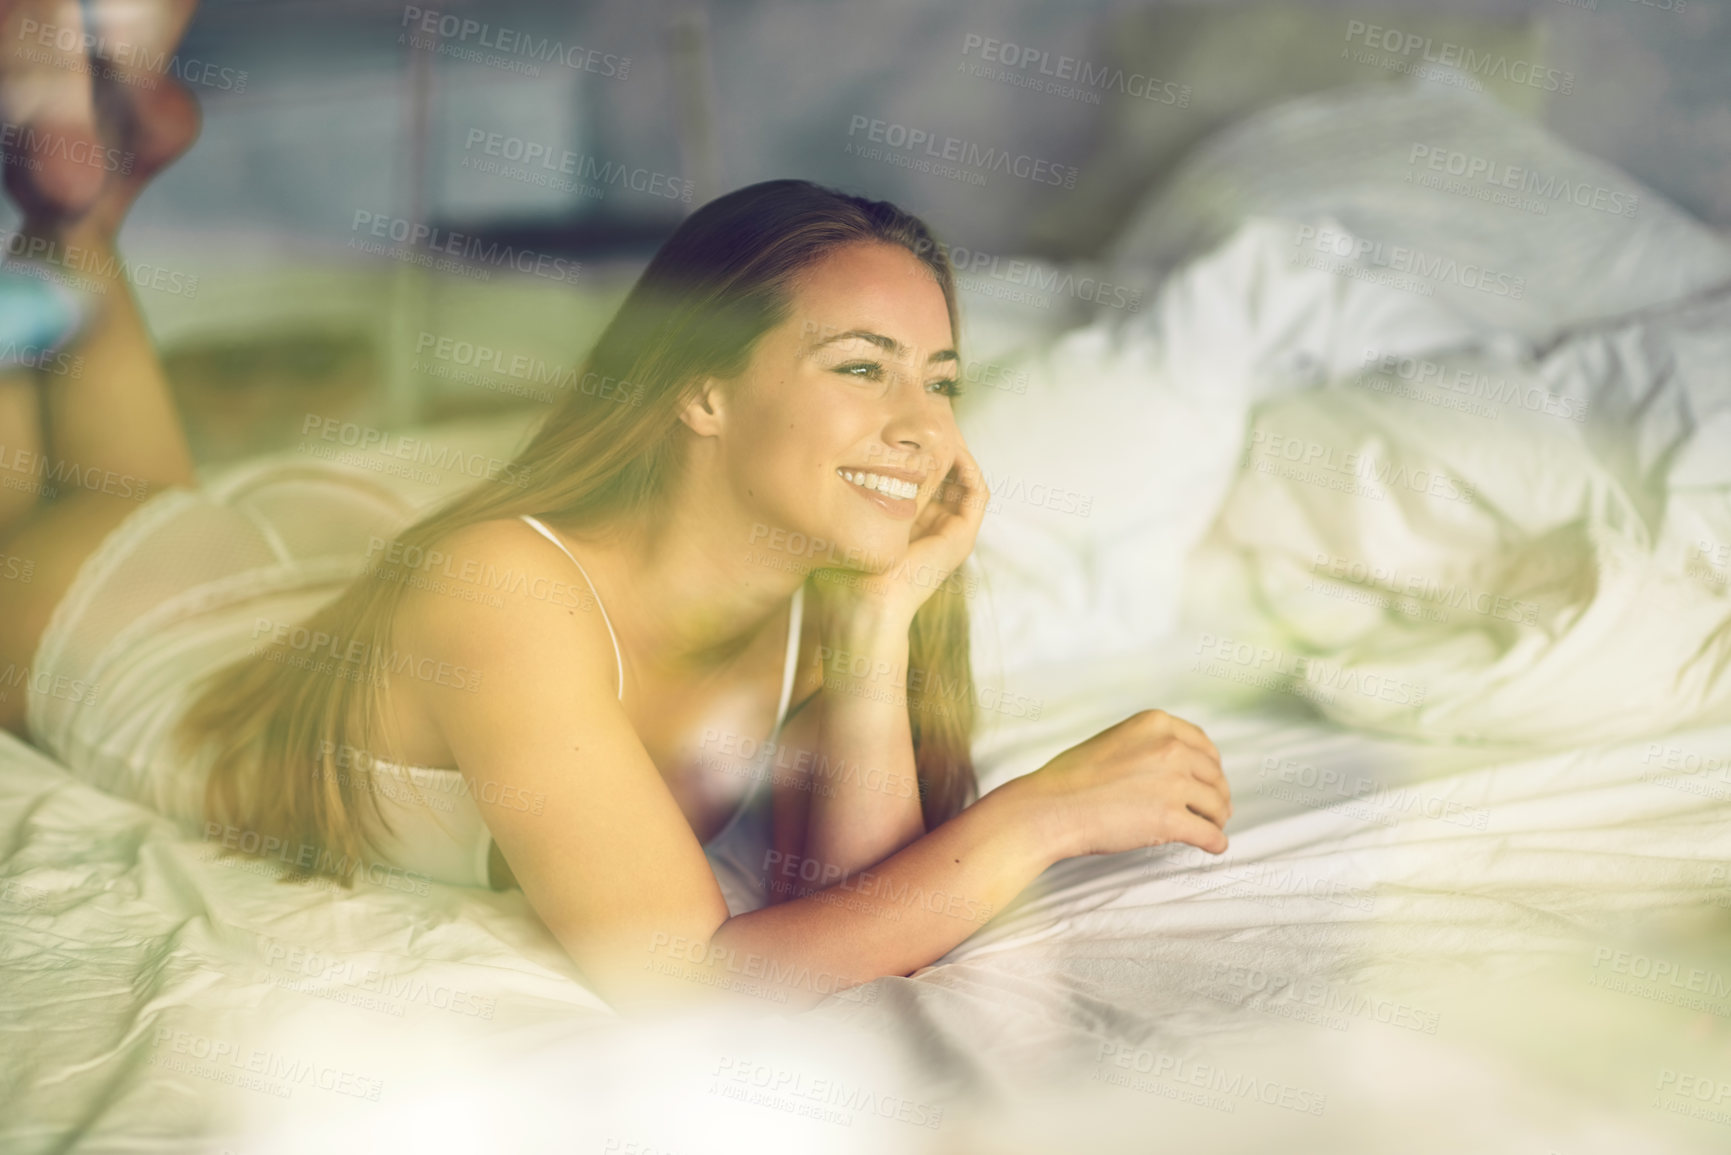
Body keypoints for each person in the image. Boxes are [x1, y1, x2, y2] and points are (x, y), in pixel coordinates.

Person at [0, 0, 1233, 1016]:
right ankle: (60, 158)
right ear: (700, 396)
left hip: (244, 572)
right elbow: (688, 981)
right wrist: (1040, 819)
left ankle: (78, 203)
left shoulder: (814, 586)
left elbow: (852, 910)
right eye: (861, 367)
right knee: (78, 519)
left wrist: (878, 620)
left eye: (940, 380)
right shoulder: (509, 589)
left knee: (141, 491)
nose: (921, 425)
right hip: (98, 628)